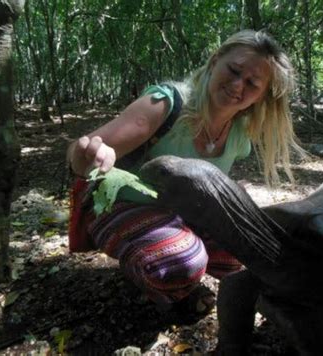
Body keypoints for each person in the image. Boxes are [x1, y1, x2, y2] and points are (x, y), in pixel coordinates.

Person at [66, 29, 302, 314]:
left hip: (182, 213)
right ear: (215, 61)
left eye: (252, 83)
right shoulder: (165, 104)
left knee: (242, 252)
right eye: (234, 70)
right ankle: (158, 280)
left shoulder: (240, 133)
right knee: (181, 263)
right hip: (121, 207)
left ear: (260, 97)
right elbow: (80, 157)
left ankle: (175, 263)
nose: (238, 85)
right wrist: (90, 154)